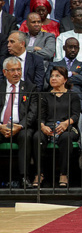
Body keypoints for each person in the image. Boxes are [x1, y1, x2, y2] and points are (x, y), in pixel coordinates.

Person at [32, 66, 80, 188]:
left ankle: (64, 174)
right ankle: (39, 173)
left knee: (66, 137)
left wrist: (65, 123)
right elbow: (40, 116)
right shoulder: (44, 95)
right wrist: (42, 127)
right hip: (47, 127)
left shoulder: (73, 96)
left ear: (65, 79)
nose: (53, 78)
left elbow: (75, 115)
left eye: (57, 76)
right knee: (37, 137)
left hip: (67, 127)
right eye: (52, 76)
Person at [0, 56, 38, 188]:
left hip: (21, 126)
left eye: (19, 70)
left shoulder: (30, 87)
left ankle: (24, 177)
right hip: (1, 125)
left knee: (26, 136)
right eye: (12, 70)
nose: (16, 73)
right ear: (5, 72)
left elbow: (33, 112)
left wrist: (20, 126)